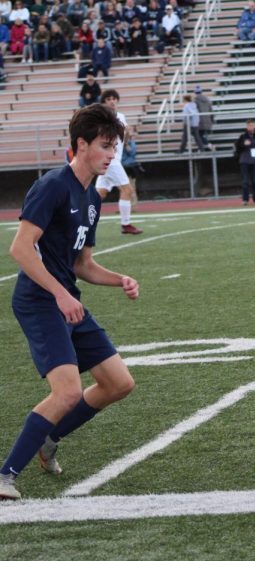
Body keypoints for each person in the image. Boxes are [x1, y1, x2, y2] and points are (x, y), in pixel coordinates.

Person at [0, 104, 140, 501]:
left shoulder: (91, 198)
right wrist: (59, 295)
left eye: (115, 147)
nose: (112, 155)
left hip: (66, 300)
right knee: (67, 393)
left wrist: (120, 280)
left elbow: (83, 265)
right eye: (105, 146)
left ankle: (50, 437)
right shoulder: (53, 186)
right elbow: (20, 249)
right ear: (81, 144)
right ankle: (5, 474)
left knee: (118, 383)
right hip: (40, 301)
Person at [96, 90, 143, 234]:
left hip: (114, 159)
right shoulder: (102, 117)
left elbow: (124, 139)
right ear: (104, 102)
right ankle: (126, 224)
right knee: (127, 190)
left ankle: (75, 216)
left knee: (99, 194)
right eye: (108, 99)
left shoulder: (121, 116)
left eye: (114, 98)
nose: (112, 101)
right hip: (110, 160)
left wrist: (127, 133)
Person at [234, 119, 255, 205]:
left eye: (252, 125)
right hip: (245, 161)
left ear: (254, 126)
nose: (250, 127)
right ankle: (245, 200)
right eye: (249, 125)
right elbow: (237, 148)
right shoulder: (242, 137)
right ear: (246, 126)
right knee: (245, 181)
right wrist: (244, 144)